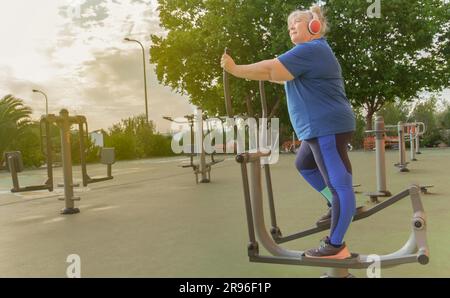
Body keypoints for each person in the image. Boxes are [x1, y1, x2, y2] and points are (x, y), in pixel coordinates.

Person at [221, 5, 356, 259]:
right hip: (317, 129)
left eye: (297, 21)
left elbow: (271, 69)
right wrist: (248, 72)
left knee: (340, 185)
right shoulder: (309, 55)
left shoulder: (312, 49)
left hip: (326, 127)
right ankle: (335, 203)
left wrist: (236, 69)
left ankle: (335, 246)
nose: (291, 26)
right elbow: (276, 75)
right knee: (304, 164)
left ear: (314, 26)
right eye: (289, 24)